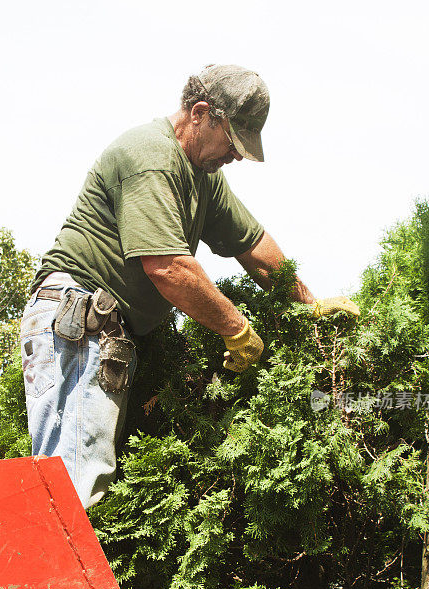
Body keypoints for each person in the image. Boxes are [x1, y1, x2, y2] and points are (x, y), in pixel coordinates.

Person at [21, 64, 359, 509]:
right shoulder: (151, 154)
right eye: (233, 142)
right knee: (72, 484)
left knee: (87, 485)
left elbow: (253, 244)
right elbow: (168, 268)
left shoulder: (203, 176)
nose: (236, 156)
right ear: (200, 113)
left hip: (109, 327)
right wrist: (237, 329)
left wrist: (307, 305)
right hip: (79, 320)